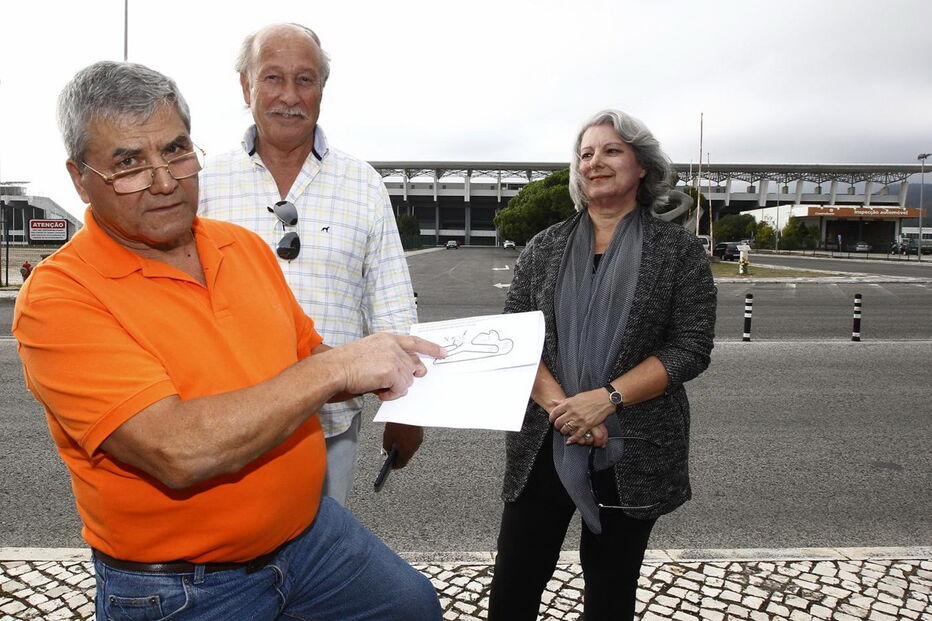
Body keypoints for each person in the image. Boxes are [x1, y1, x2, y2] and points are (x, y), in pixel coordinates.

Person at [13, 60, 443, 621]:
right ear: (80, 178)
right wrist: (338, 371)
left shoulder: (240, 246)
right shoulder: (59, 298)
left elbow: (307, 357)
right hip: (185, 589)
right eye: (128, 163)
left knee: (411, 607)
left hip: (309, 537)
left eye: (175, 150)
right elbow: (177, 450)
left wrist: (399, 366)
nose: (164, 181)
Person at [488, 109, 717, 620]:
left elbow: (690, 346)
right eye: (586, 154)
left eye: (611, 151)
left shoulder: (678, 251)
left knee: (611, 591)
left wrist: (605, 401)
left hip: (631, 444)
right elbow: (515, 340)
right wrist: (565, 411)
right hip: (544, 439)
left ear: (642, 167)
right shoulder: (543, 248)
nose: (595, 163)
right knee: (514, 585)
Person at [199, 23, 420, 507]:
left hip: (331, 423)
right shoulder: (204, 183)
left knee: (321, 564)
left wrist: (408, 410)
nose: (288, 96)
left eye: (305, 79)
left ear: (322, 88)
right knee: (230, 565)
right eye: (272, 78)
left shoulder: (362, 184)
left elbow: (390, 302)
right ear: (245, 86)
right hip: (225, 423)